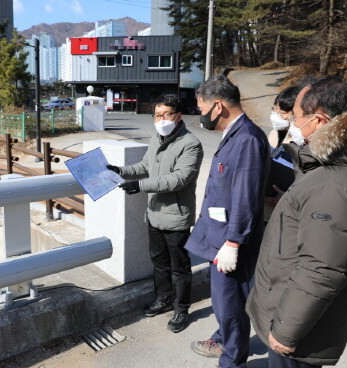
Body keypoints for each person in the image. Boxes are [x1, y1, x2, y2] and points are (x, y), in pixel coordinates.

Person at [246, 76, 347, 368]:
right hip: (295, 312)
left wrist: (285, 331)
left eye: (297, 117)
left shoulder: (335, 185)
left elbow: (321, 269)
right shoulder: (331, 172)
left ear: (319, 120)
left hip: (299, 334)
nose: (292, 124)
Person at [185, 75, 269, 368]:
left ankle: (233, 361)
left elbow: (246, 196)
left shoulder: (246, 138)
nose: (201, 115)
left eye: (201, 108)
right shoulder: (235, 133)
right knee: (225, 302)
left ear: (218, 106)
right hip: (220, 236)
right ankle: (225, 341)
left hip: (231, 241)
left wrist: (233, 242)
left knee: (230, 303)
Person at [107, 95, 203, 333]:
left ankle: (181, 309)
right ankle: (163, 299)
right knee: (159, 263)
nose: (161, 120)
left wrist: (140, 186)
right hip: (154, 213)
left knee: (179, 267)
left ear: (178, 116)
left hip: (176, 215)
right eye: (157, 115)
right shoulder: (156, 137)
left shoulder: (190, 144)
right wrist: (119, 170)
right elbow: (144, 167)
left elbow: (179, 179)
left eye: (166, 114)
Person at [264, 86, 301, 217]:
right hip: (264, 211)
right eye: (275, 110)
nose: (276, 116)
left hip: (288, 213)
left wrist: (286, 198)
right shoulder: (274, 134)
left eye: (282, 113)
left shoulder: (304, 142)